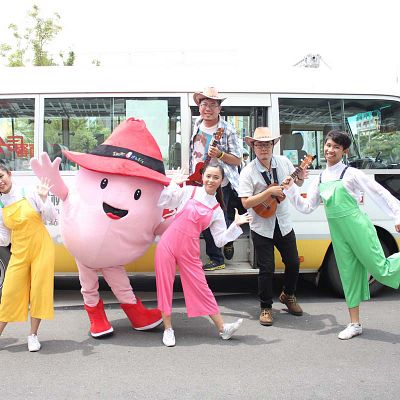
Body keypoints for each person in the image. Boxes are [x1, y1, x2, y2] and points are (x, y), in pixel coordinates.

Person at [283, 130, 400, 340]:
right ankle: (355, 324)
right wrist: (291, 189)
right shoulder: (320, 178)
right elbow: (307, 207)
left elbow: (380, 193)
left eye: (336, 147)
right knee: (348, 276)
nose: (330, 150)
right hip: (338, 233)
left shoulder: (352, 173)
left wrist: (397, 215)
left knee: (380, 269)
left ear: (344, 151)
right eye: (328, 145)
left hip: (358, 228)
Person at [155, 165, 252, 347]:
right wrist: (173, 184)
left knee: (201, 287)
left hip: (190, 249)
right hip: (167, 244)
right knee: (164, 286)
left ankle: (223, 329)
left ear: (221, 181)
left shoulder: (217, 209)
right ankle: (168, 329)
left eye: (216, 177)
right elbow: (163, 202)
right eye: (208, 176)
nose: (211, 180)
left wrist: (236, 225)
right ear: (202, 177)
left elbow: (220, 240)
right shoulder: (189, 191)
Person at [238, 127, 305, 326]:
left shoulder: (284, 163)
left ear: (273, 145)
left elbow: (298, 184)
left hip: (283, 222)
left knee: (293, 262)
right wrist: (269, 192)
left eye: (267, 144)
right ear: (253, 147)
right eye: (259, 145)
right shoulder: (248, 171)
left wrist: (301, 176)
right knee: (267, 269)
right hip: (261, 226)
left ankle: (288, 295)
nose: (264, 148)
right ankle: (266, 307)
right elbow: (245, 202)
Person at [0, 161, 56, 352]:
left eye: (1, 176)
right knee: (9, 292)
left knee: (39, 290)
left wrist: (44, 198)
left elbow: (52, 217)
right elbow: (4, 239)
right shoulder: (0, 205)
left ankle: (33, 335)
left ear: (9, 174)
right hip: (19, 252)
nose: (0, 182)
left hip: (41, 248)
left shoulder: (29, 191)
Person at [190, 87, 242, 269]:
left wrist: (220, 154)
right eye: (204, 104)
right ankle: (222, 247)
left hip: (220, 183)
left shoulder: (227, 129)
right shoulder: (196, 124)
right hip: (200, 181)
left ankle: (219, 255)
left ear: (219, 108)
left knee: (217, 217)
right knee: (203, 218)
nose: (208, 109)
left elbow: (237, 159)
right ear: (199, 107)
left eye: (213, 105)